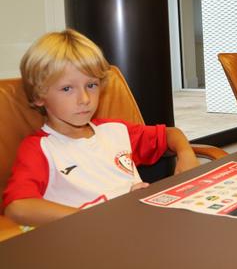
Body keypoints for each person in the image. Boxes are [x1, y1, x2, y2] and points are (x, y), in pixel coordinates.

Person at [2, 29, 199, 227]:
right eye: (67, 88)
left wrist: (186, 154)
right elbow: (17, 207)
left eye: (91, 85)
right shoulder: (40, 149)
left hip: (136, 225)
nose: (84, 99)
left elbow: (170, 134)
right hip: (88, 236)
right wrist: (94, 217)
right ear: (39, 96)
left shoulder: (115, 131)